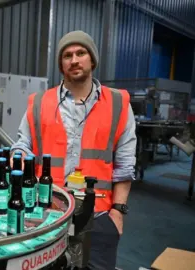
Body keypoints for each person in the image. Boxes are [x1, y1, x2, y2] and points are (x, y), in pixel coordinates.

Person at [11, 30, 136, 269]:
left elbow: (125, 163)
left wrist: (118, 213)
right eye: (67, 55)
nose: (74, 59)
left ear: (92, 59)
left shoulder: (118, 103)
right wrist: (18, 158)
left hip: (99, 216)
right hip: (47, 215)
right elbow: (22, 144)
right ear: (61, 64)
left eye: (81, 52)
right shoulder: (39, 102)